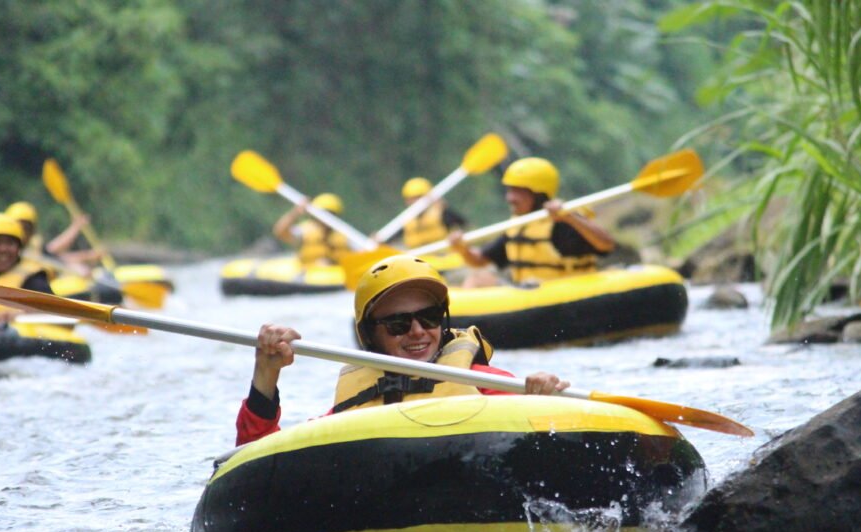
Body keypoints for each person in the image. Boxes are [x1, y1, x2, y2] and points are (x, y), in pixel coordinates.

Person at [236, 254, 568, 445]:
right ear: (369, 336)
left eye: (429, 317)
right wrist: (266, 371)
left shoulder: (482, 381)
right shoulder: (350, 407)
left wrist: (543, 395)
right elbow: (256, 451)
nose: (418, 331)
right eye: (398, 324)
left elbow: (549, 428)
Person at [448, 157, 616, 287]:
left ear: (538, 195)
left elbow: (606, 245)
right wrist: (462, 249)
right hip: (530, 295)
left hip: (564, 298)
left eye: (518, 191)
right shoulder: (520, 225)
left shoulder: (562, 223)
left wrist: (570, 217)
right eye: (510, 190)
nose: (510, 198)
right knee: (478, 279)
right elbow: (480, 261)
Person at [5, 201, 104, 276]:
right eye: (20, 227)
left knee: (80, 268)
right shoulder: (1, 251)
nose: (24, 233)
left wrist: (88, 256)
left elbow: (55, 257)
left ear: (33, 230)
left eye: (27, 228)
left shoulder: (33, 246)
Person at [272, 193, 351, 266]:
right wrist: (296, 212)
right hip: (309, 273)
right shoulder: (304, 232)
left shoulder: (346, 234)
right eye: (324, 213)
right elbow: (280, 232)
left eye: (331, 213)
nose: (327, 218)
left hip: (336, 275)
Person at [388, 177, 468, 249]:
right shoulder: (406, 220)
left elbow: (464, 226)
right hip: (420, 259)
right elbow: (390, 239)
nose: (415, 202)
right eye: (411, 199)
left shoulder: (442, 212)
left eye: (418, 197)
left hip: (445, 258)